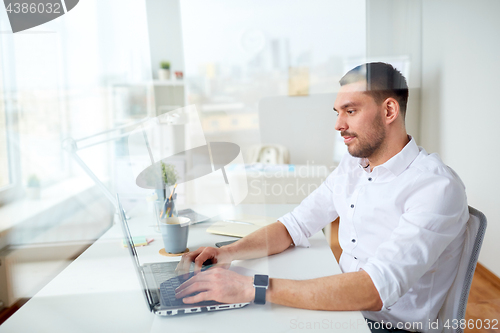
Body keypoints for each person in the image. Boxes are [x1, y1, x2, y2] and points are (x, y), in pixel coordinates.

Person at [174, 62, 469, 333]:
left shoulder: (435, 187)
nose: (339, 124)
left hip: (386, 326)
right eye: (337, 112)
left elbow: (374, 289)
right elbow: (296, 224)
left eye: (350, 111)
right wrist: (228, 253)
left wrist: (253, 287)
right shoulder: (353, 165)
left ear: (389, 111)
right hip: (345, 310)